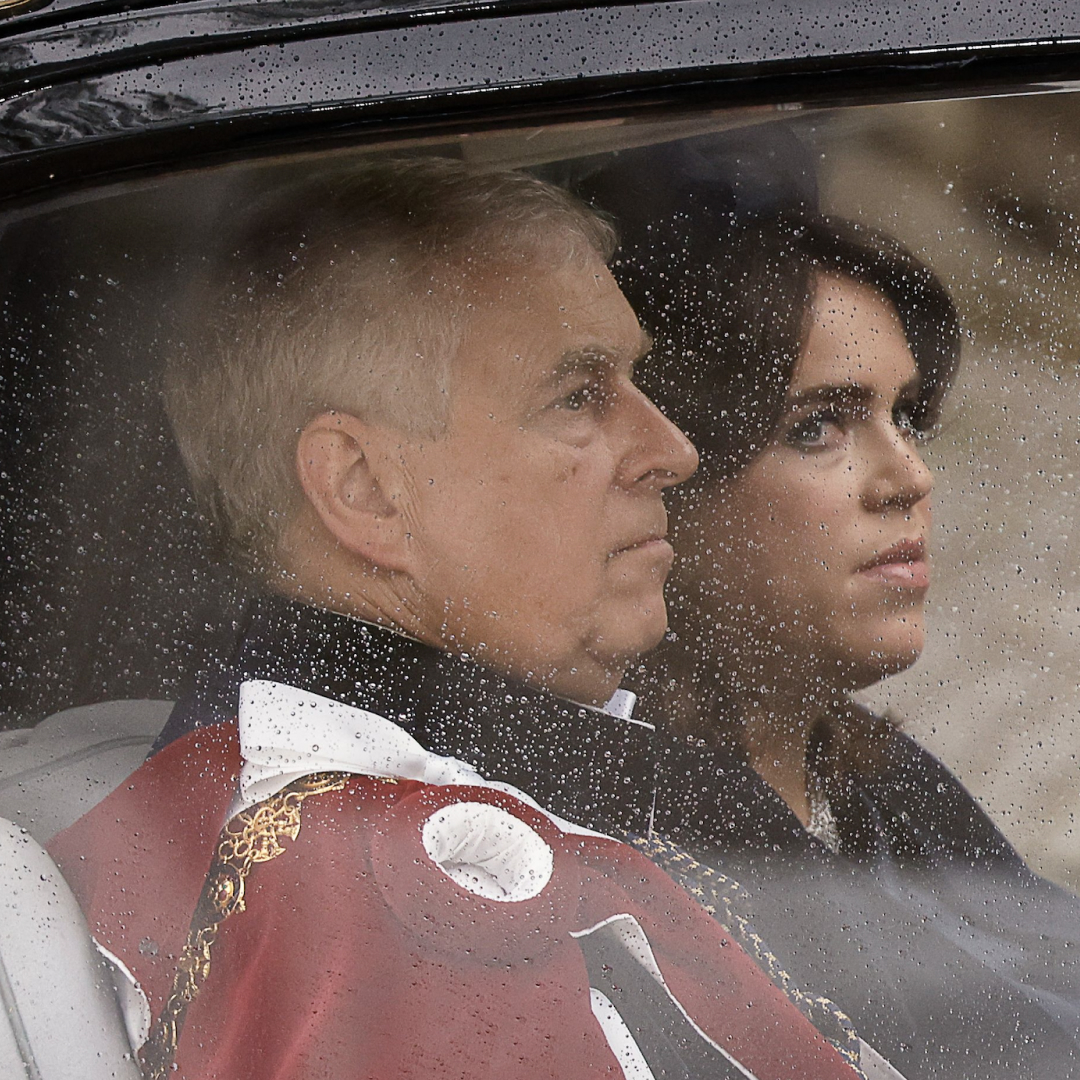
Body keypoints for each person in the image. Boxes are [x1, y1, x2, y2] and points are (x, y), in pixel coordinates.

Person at [48, 158, 872, 1080]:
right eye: (577, 398)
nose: (670, 451)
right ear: (366, 490)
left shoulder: (392, 790)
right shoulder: (406, 909)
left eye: (633, 383)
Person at [607, 205, 1080, 1079]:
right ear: (661, 474)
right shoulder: (617, 856)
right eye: (818, 426)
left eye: (909, 418)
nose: (909, 477)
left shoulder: (889, 790)